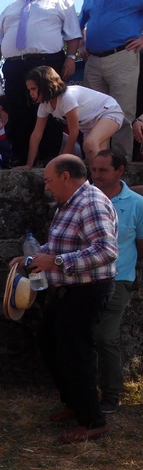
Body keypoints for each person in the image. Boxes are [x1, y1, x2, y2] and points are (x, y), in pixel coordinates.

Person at [9, 155, 117, 443]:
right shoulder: (70, 203)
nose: (46, 187)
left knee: (75, 353)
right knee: (49, 342)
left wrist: (56, 261)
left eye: (49, 180)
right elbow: (58, 244)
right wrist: (30, 258)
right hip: (69, 288)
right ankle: (75, 403)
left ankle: (92, 421)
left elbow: (106, 251)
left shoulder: (91, 203)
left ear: (66, 176)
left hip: (87, 290)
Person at [0, 0, 81, 166]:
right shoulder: (9, 8)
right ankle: (20, 156)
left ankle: (49, 156)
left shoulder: (61, 3)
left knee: (51, 108)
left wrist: (71, 57)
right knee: (16, 110)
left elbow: (73, 34)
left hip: (47, 61)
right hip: (14, 65)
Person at [89, 149, 143, 414]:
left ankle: (111, 394)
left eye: (103, 170)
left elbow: (140, 244)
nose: (96, 175)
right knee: (82, 335)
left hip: (118, 279)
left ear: (120, 171)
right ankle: (86, 391)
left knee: (104, 337)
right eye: (93, 169)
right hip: (86, 278)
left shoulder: (137, 203)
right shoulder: (85, 197)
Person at [18, 66, 123, 169]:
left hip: (109, 112)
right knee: (94, 161)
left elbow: (73, 132)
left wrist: (62, 160)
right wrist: (29, 165)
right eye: (29, 90)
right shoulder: (44, 106)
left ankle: (110, 178)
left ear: (45, 86)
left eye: (33, 89)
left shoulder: (67, 98)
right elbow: (36, 134)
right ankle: (103, 180)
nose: (31, 93)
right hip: (90, 125)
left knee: (90, 145)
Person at [78, 1, 143, 160]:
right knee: (91, 113)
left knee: (123, 111)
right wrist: (81, 44)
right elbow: (77, 24)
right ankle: (94, 160)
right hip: (93, 59)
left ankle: (121, 161)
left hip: (122, 55)